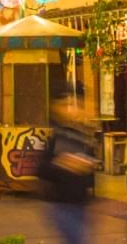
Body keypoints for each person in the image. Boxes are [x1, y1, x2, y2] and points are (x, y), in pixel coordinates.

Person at [38, 89, 96, 243]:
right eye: (66, 105)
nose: (72, 109)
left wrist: (87, 166)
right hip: (62, 205)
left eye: (76, 105)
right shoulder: (56, 135)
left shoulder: (83, 135)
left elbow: (91, 173)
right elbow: (41, 169)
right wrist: (61, 163)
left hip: (79, 205)